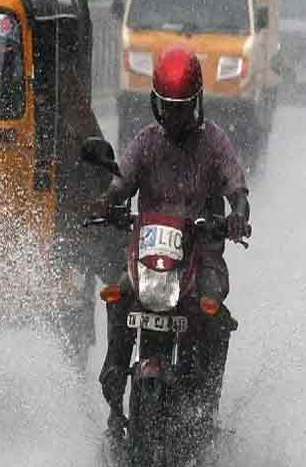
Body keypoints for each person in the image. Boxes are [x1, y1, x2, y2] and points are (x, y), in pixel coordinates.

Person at [93, 45, 251, 438]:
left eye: (181, 106)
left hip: (200, 259)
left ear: (195, 102)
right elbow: (120, 183)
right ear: (155, 103)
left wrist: (238, 217)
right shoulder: (146, 142)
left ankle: (205, 406)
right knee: (119, 292)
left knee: (212, 310)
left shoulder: (214, 142)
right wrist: (107, 203)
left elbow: (237, 187)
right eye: (168, 106)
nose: (175, 115)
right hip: (148, 259)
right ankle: (114, 380)